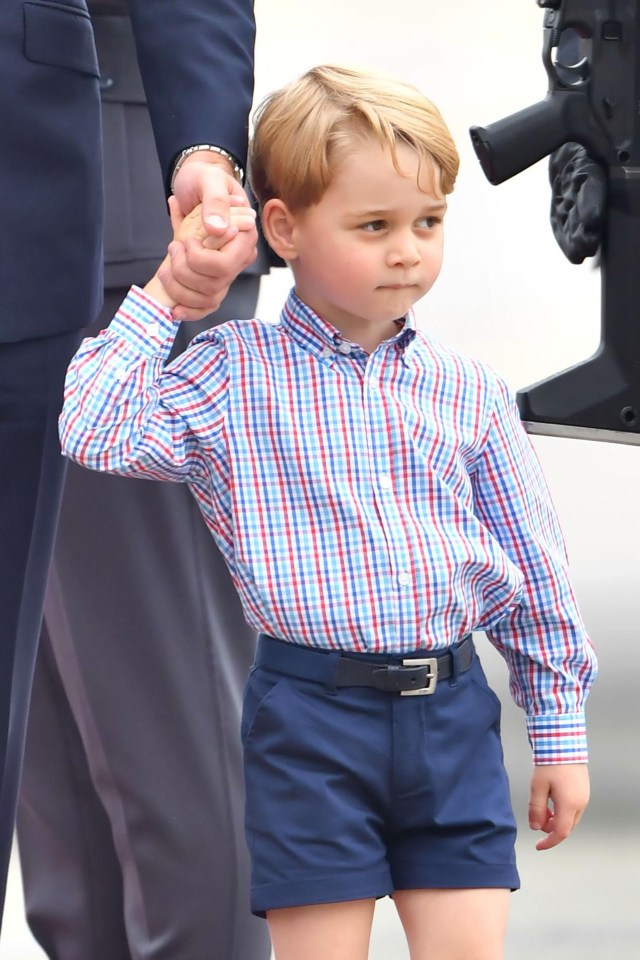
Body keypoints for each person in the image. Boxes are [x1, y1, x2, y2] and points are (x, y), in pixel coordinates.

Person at [58, 64, 598, 960]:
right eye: (374, 226)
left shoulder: (468, 392)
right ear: (284, 228)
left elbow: (532, 577)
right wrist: (169, 302)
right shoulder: (231, 374)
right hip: (308, 721)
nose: (407, 252)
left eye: (428, 223)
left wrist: (559, 736)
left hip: (451, 714)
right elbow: (95, 430)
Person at [15, 6, 272, 959]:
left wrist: (201, 148)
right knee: (56, 789)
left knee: (175, 747)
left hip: (129, 232)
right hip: (46, 221)